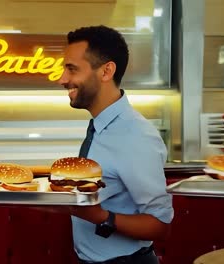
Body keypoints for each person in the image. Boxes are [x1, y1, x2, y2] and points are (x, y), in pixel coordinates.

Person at [48, 25, 174, 264]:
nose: (62, 79)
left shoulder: (136, 135)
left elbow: (160, 226)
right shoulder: (101, 126)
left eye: (71, 69)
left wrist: (100, 216)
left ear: (106, 71)